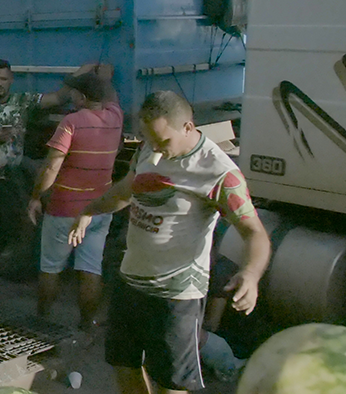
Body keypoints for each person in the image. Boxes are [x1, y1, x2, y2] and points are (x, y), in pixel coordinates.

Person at [69, 91, 270, 394]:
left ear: (188, 127)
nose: (158, 153)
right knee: (123, 363)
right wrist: (89, 210)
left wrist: (251, 274)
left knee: (170, 382)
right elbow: (126, 190)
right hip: (131, 280)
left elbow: (254, 232)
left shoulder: (219, 173)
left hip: (175, 295)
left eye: (164, 142)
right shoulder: (149, 149)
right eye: (151, 142)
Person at [0, 59, 80, 299]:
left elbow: (58, 98)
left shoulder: (23, 102)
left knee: (9, 232)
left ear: (11, 80)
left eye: (3, 79)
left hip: (8, 180)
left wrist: (79, 74)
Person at [27, 70, 122, 332]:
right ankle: (85, 325)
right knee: (91, 268)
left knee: (51, 267)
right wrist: (101, 74)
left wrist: (36, 198)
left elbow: (50, 168)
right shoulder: (116, 116)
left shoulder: (71, 122)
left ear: (80, 97)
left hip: (65, 210)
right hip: (100, 208)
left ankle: (42, 321)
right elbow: (110, 95)